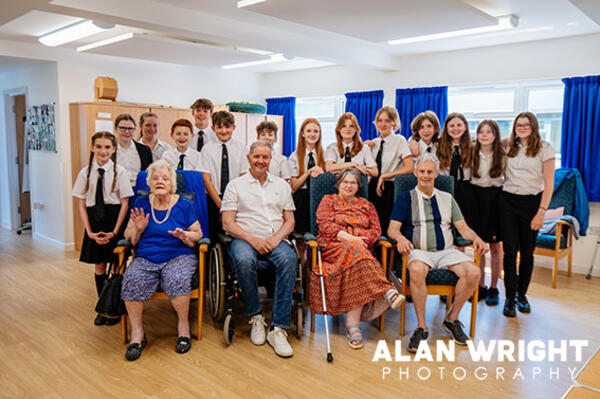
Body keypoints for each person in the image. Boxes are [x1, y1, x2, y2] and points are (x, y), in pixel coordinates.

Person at [387, 153, 488, 352]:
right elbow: (392, 229)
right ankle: (421, 327)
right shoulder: (405, 198)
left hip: (447, 251)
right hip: (418, 252)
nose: (425, 175)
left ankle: (452, 319)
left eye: (429, 172)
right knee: (415, 270)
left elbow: (463, 228)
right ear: (416, 173)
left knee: (474, 272)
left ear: (436, 174)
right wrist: (400, 238)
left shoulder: (447, 198)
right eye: (422, 171)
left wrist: (476, 238)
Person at [312, 167, 404, 349]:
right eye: (345, 182)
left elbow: (376, 230)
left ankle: (353, 325)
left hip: (361, 250)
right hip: (334, 247)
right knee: (357, 252)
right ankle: (387, 291)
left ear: (358, 186)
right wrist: (351, 239)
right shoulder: (328, 201)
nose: (348, 185)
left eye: (353, 182)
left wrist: (361, 240)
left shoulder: (367, 205)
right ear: (338, 184)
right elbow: (324, 225)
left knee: (358, 259)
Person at [121, 160, 203, 361]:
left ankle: (183, 327)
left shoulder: (184, 204)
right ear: (149, 182)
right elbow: (129, 237)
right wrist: (138, 229)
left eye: (165, 178)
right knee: (132, 278)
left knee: (177, 277)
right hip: (146, 256)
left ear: (171, 183)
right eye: (155, 178)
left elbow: (198, 234)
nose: (160, 181)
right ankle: (138, 334)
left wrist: (185, 235)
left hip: (178, 255)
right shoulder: (140, 203)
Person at [221, 140, 297, 358]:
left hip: (275, 238)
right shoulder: (235, 186)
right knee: (244, 261)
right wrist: (253, 240)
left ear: (270, 160)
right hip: (244, 238)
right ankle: (256, 317)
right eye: (257, 157)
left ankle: (278, 328)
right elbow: (227, 223)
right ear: (249, 158)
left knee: (290, 260)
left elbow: (289, 221)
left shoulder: (282, 186)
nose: (261, 161)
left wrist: (274, 240)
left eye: (265, 157)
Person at [72, 131, 133, 326]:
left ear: (113, 149)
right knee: (99, 265)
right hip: (95, 222)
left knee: (116, 265)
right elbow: (81, 205)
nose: (103, 151)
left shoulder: (119, 172)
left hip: (114, 220)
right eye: (99, 147)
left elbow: (125, 204)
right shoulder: (85, 172)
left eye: (107, 147)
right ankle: (102, 307)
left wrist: (116, 231)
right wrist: (89, 232)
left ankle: (114, 307)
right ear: (92, 148)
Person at [500, 112, 555, 317]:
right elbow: (484, 139)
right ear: (514, 127)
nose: (522, 127)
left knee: (527, 253)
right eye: (518, 124)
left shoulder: (544, 148)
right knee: (510, 252)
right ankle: (509, 298)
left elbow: (549, 183)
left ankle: (522, 295)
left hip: (532, 203)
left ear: (534, 126)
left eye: (526, 124)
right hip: (507, 202)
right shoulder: (508, 147)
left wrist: (541, 212)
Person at [470, 120, 505, 306]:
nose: (484, 135)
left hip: (495, 199)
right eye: (481, 132)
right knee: (480, 246)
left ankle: (494, 287)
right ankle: (480, 285)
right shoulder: (472, 151)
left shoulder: (502, 154)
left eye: (489, 132)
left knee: (495, 246)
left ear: (495, 135)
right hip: (477, 199)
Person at [198, 111, 248, 239]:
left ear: (234, 128)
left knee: (235, 235)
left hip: (236, 199)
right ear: (213, 128)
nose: (224, 130)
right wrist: (221, 205)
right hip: (213, 199)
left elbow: (244, 177)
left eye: (227, 126)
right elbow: (206, 180)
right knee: (213, 236)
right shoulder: (207, 149)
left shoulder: (242, 148)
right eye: (219, 127)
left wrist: (230, 205)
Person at [367, 106, 414, 233]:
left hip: (388, 187)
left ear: (394, 123)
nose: (383, 124)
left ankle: (386, 249)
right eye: (380, 120)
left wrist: (385, 175)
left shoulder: (399, 140)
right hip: (371, 186)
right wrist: (362, 147)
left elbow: (410, 167)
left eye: (387, 121)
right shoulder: (373, 143)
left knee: (383, 224)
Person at [436, 112, 476, 231]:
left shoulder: (473, 145)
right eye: (452, 126)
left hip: (466, 189)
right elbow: (419, 139)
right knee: (447, 225)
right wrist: (412, 141)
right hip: (445, 190)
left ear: (465, 126)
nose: (455, 129)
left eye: (459, 125)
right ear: (446, 128)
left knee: (466, 227)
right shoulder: (438, 145)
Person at [288, 118, 326, 234]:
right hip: (301, 199)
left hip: (321, 199)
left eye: (316, 131)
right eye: (309, 131)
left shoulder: (326, 154)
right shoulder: (294, 156)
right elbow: (293, 187)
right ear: (303, 134)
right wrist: (308, 172)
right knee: (301, 235)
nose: (312, 134)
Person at [114, 114, 153, 187]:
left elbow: (150, 173)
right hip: (116, 190)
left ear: (135, 129)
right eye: (122, 128)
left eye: (130, 128)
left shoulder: (145, 150)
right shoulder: (110, 150)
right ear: (116, 129)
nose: (127, 132)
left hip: (139, 190)